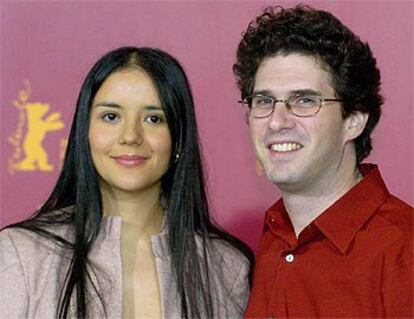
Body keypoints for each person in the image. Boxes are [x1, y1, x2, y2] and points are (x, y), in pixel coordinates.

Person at [0, 46, 253, 318]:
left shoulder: (226, 266)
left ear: (178, 139)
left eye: (153, 119)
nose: (130, 136)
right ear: (85, 131)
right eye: (111, 117)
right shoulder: (21, 253)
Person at [233, 5, 413, 318]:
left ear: (354, 121)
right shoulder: (270, 242)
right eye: (263, 101)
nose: (276, 121)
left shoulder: (404, 252)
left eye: (304, 100)